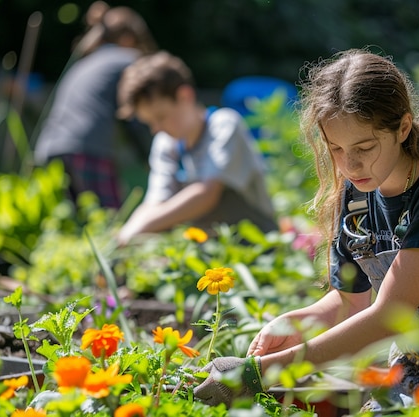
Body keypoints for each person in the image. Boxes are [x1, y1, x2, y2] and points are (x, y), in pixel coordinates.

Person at [193, 49, 419, 415]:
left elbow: (391, 315)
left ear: (403, 127)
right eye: (337, 149)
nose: (350, 164)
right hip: (417, 376)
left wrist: (259, 373)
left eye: (365, 147)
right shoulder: (357, 194)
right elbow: (349, 301)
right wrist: (294, 322)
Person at [115, 51, 277, 245]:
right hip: (213, 250)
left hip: (260, 247)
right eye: (149, 122)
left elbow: (206, 194)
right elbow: (155, 203)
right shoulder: (166, 142)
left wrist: (138, 230)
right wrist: (125, 235)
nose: (156, 129)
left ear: (185, 96)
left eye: (160, 117)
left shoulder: (223, 125)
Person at [33, 3, 157, 209]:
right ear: (128, 39)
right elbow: (132, 118)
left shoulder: (86, 62)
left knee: (71, 222)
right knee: (108, 219)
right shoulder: (126, 60)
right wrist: (148, 157)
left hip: (50, 147)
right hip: (86, 149)